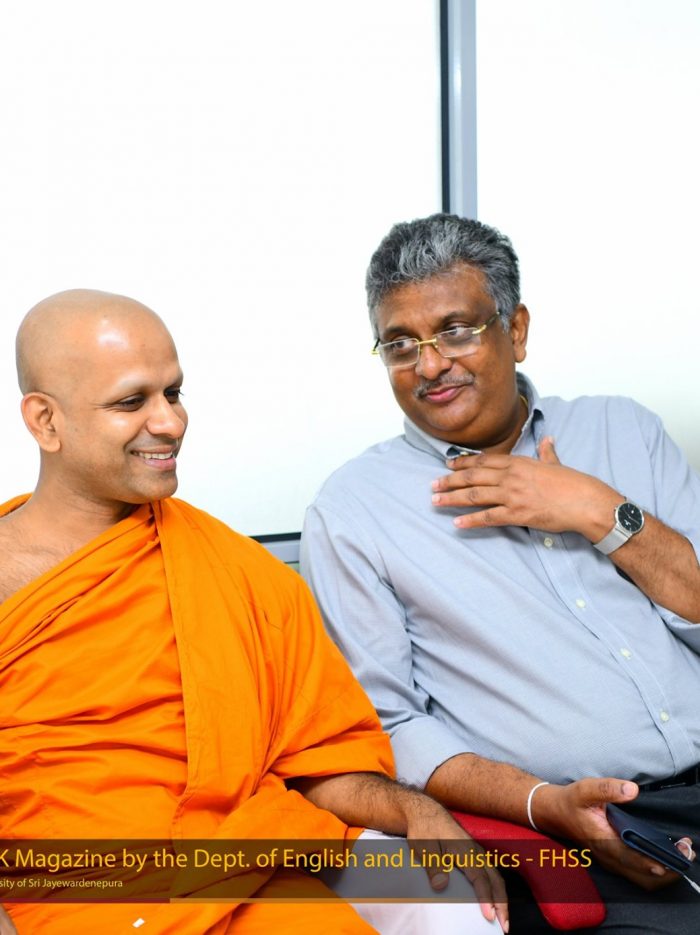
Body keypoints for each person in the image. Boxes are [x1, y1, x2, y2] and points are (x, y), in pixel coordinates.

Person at [0, 289, 508, 935]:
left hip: (247, 874)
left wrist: (413, 809)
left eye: (174, 393)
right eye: (131, 402)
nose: (170, 423)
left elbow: (317, 765)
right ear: (45, 420)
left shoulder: (242, 575)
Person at [301, 214, 700, 934]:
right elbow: (388, 725)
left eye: (456, 330)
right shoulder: (354, 509)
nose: (429, 366)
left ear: (515, 331)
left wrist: (595, 509)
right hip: (584, 824)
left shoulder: (623, 431)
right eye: (401, 344)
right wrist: (545, 805)